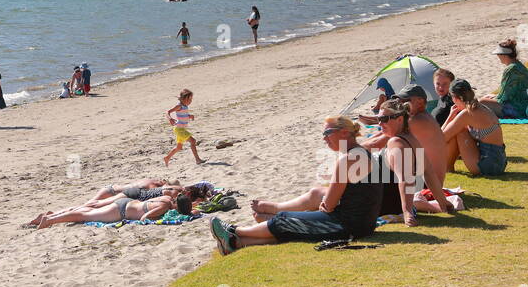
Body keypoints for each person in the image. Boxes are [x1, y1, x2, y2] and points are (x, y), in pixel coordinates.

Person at [211, 116, 385, 253]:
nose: (324, 139)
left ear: (345, 133)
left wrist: (323, 207)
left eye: (327, 133)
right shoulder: (362, 153)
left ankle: (235, 231)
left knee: (284, 220)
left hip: (347, 226)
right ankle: (236, 243)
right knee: (292, 225)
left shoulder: (348, 159)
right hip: (363, 224)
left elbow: (330, 205)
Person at [361, 85, 454, 214]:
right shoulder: (423, 118)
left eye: (405, 101)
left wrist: (350, 152)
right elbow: (381, 136)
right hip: (428, 180)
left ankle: (421, 205)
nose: (401, 105)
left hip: (425, 184)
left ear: (420, 102)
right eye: (399, 101)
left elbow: (376, 143)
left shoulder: (415, 121)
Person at [443, 79, 507, 176]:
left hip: (488, 166)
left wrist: (450, 116)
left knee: (459, 132)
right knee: (460, 130)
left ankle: (448, 168)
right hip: (500, 162)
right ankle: (448, 167)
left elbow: (442, 138)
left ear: (455, 98)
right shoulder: (480, 106)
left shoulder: (467, 114)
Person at [33, 191, 194, 228]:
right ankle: (50, 220)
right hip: (121, 211)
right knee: (84, 215)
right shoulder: (164, 206)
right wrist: (157, 219)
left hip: (127, 202)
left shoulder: (166, 198)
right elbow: (145, 218)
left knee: (87, 210)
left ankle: (52, 215)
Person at [481, 39, 528, 119]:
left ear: (504, 55)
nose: (497, 56)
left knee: (481, 102)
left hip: (518, 110)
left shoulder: (511, 69)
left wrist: (493, 97)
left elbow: (504, 98)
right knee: (487, 98)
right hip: (526, 106)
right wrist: (494, 96)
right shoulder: (519, 66)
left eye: (498, 54)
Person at [164, 89, 202, 167]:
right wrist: (170, 118)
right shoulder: (179, 106)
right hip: (179, 129)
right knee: (193, 141)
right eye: (189, 99)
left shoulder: (185, 106)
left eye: (191, 99)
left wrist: (189, 116)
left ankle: (167, 158)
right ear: (183, 98)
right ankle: (197, 160)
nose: (190, 101)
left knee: (179, 147)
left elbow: (183, 115)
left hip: (182, 129)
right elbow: (168, 112)